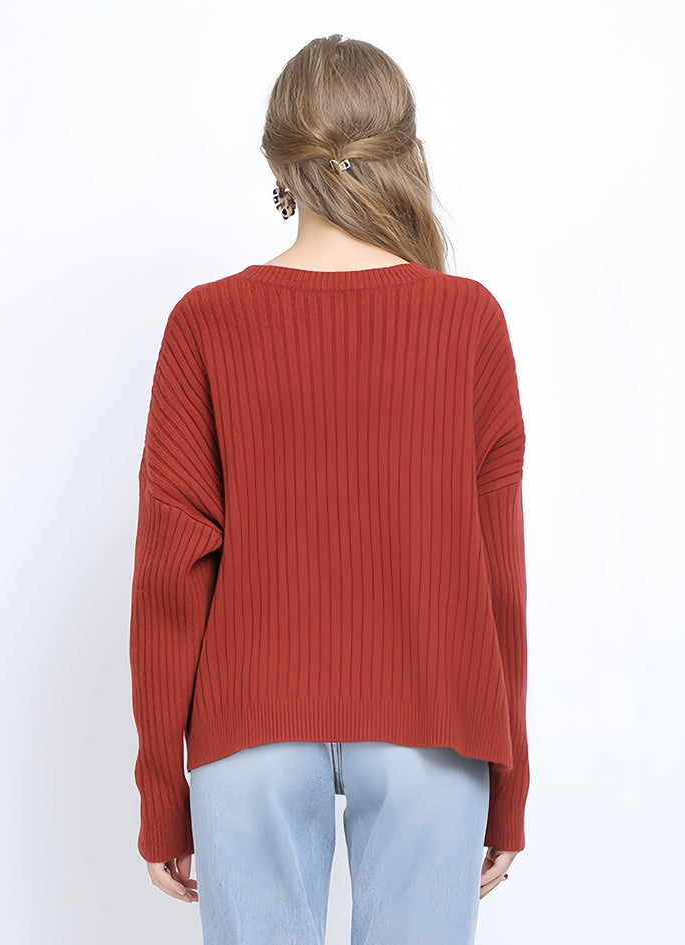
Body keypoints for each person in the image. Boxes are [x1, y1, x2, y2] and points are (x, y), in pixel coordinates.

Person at [129, 33, 529, 945]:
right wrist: (510, 785)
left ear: (279, 165)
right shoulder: (468, 320)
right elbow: (498, 575)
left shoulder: (206, 322)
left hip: (249, 726)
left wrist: (160, 795)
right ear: (403, 152)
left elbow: (167, 579)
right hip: (436, 719)